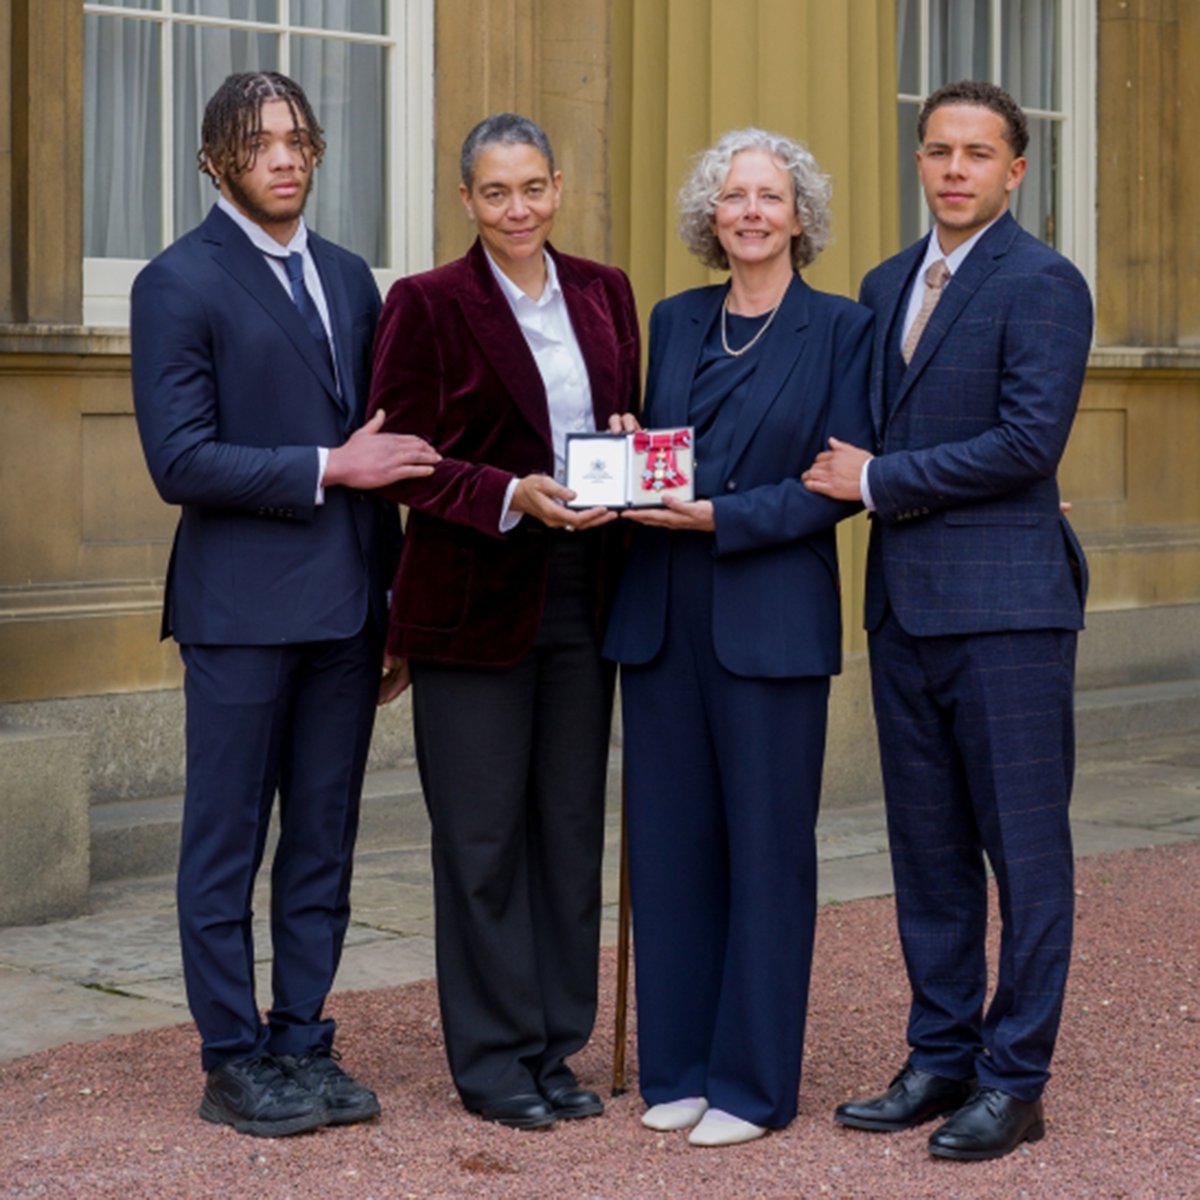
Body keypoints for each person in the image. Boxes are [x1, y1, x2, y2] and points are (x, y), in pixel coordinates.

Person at [131, 72, 439, 1138]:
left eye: (300, 138)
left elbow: (388, 449)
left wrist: (395, 601)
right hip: (239, 614)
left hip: (350, 613)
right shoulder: (176, 282)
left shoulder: (355, 281)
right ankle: (231, 1059)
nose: (286, 157)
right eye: (261, 143)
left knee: (323, 841)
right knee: (224, 846)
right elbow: (180, 461)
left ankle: (302, 1037)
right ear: (217, 159)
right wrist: (327, 467)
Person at [803, 80, 1093, 1161]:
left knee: (1024, 853)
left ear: (1016, 170)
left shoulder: (1046, 282)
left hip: (1011, 610)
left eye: (979, 153)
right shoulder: (884, 284)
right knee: (925, 851)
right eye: (939, 151)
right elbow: (836, 429)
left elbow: (1028, 441)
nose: (956, 169)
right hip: (906, 609)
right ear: (919, 163)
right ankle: (940, 1056)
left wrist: (882, 478)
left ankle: (1015, 1082)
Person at [368, 113, 641, 1130]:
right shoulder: (426, 304)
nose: (516, 209)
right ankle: (490, 1062)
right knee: (481, 840)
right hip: (472, 602)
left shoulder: (609, 293)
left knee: (568, 831)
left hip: (587, 592)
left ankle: (553, 1045)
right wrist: (504, 492)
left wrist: (626, 440)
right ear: (467, 199)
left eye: (532, 188)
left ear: (558, 185)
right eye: (495, 192)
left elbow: (629, 417)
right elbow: (400, 458)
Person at [602, 128, 873, 1147]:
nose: (751, 211)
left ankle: (754, 1084)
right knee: (670, 854)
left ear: (800, 217)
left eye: (769, 195)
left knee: (766, 856)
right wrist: (633, 456)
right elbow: (663, 452)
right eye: (732, 196)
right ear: (709, 219)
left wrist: (722, 518)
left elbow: (835, 486)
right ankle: (675, 1066)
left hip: (770, 619)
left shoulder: (843, 329)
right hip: (663, 615)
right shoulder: (672, 322)